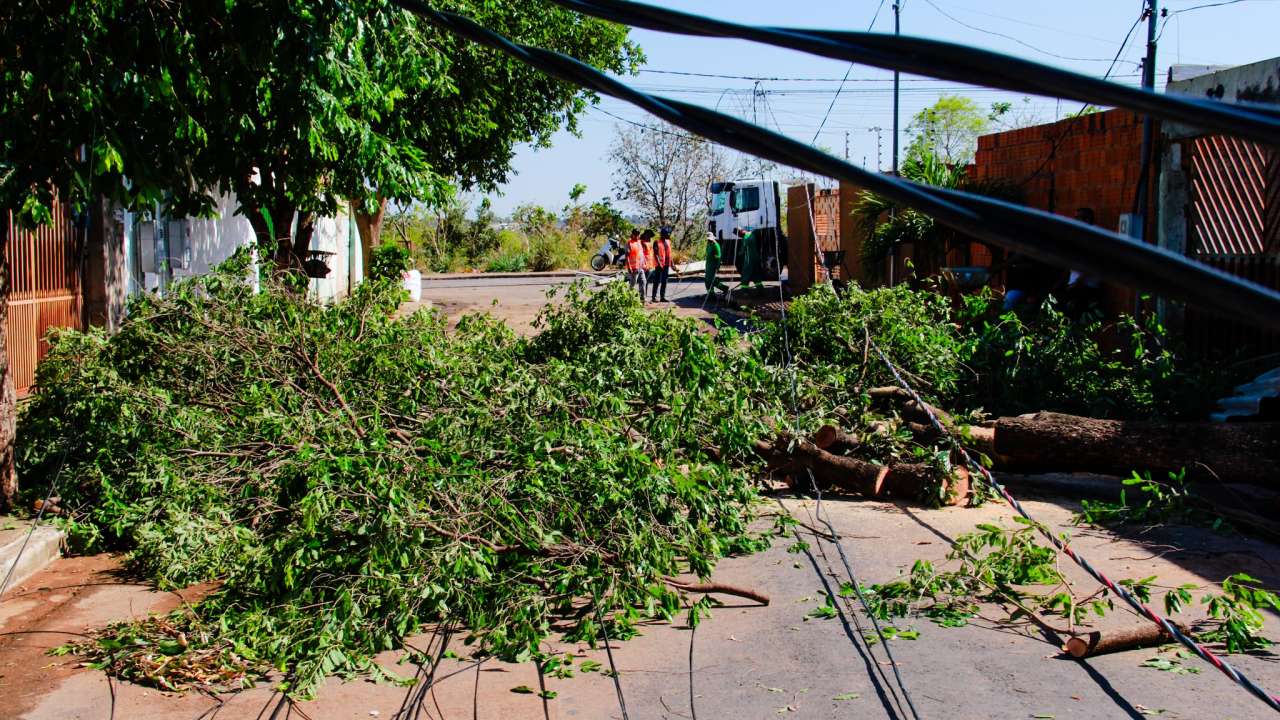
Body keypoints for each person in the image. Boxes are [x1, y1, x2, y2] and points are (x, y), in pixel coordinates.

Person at [735, 227, 765, 292]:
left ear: (740, 232)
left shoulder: (745, 237)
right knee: (756, 275)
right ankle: (761, 290)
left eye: (739, 235)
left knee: (745, 274)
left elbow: (743, 250)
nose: (739, 236)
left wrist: (738, 253)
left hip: (749, 259)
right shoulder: (752, 234)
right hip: (755, 258)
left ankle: (744, 291)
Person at [651, 226, 674, 303]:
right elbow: (656, 254)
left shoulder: (668, 242)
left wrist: (672, 264)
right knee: (657, 281)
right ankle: (653, 297)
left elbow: (670, 254)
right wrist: (660, 263)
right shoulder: (656, 242)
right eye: (667, 234)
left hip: (666, 264)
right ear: (663, 234)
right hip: (659, 265)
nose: (668, 235)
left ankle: (662, 297)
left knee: (664, 281)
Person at [704, 231, 729, 301]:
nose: (708, 240)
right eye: (708, 239)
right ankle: (711, 295)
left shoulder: (716, 246)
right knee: (707, 281)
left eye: (709, 239)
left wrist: (717, 267)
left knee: (712, 281)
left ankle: (725, 288)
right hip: (708, 265)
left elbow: (719, 257)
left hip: (713, 266)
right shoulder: (709, 245)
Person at [625, 228, 648, 303]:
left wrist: (644, 264)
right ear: (633, 235)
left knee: (643, 282)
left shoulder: (639, 242)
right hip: (634, 268)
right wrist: (629, 267)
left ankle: (642, 299)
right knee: (633, 284)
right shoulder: (629, 243)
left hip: (640, 267)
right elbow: (627, 256)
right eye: (637, 235)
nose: (638, 236)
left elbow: (641, 254)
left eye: (638, 235)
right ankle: (628, 299)